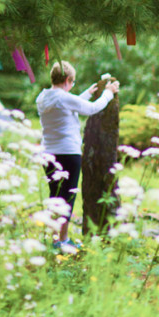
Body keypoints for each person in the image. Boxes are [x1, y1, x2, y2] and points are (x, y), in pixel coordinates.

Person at [36, 61, 119, 248]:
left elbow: (67, 106)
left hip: (48, 154)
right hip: (68, 153)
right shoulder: (63, 98)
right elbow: (89, 109)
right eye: (72, 83)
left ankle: (54, 237)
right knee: (67, 197)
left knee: (55, 195)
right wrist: (108, 93)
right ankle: (63, 240)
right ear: (67, 80)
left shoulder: (43, 97)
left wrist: (87, 94)